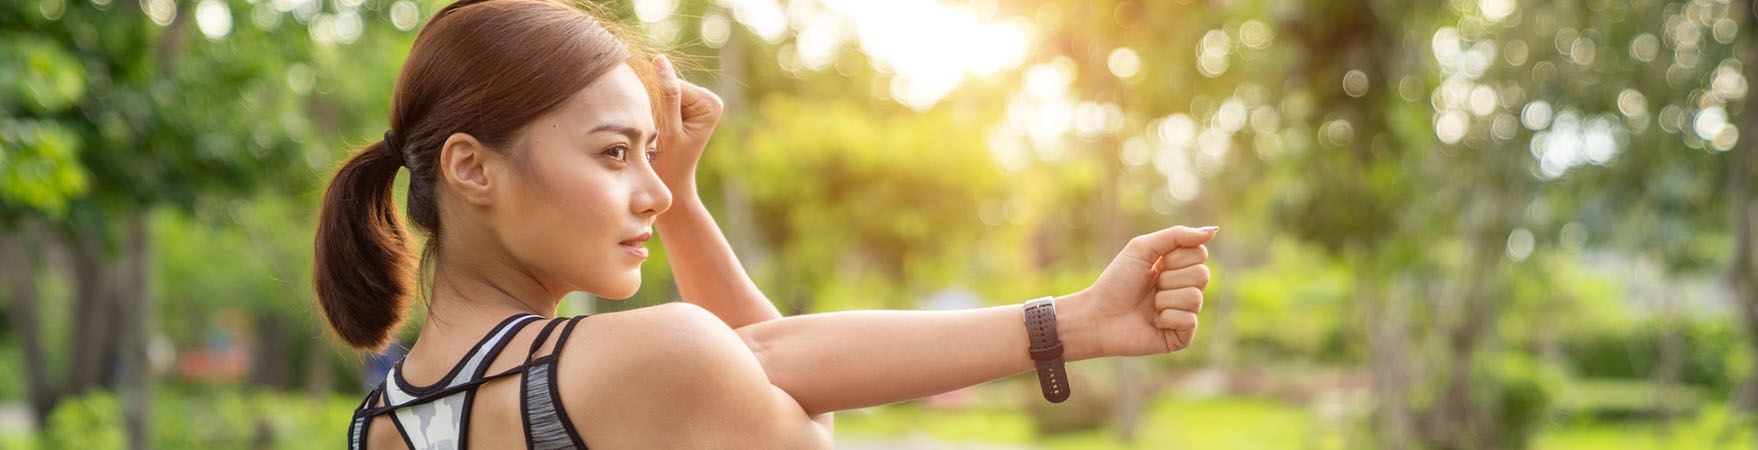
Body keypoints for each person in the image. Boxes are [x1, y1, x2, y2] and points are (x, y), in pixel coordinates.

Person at [311, 0, 1217, 447]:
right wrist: (1078, 323)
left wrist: (687, 203)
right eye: (616, 154)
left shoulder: (382, 425)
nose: (655, 191)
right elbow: (781, 395)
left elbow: (748, 375)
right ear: (472, 167)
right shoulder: (637, 363)